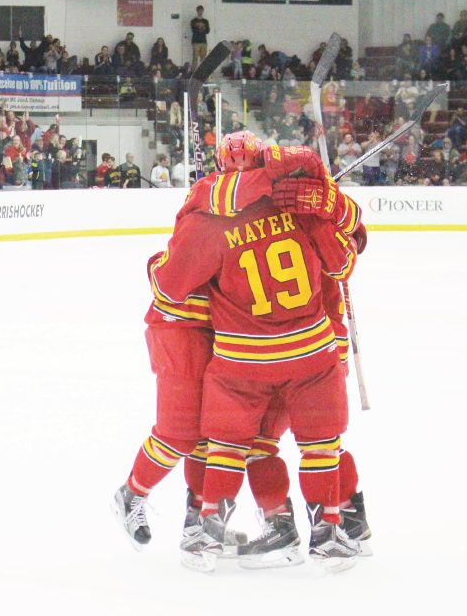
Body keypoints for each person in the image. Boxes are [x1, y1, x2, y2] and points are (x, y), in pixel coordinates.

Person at [154, 136, 360, 573]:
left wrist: (158, 262)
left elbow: (168, 288)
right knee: (323, 445)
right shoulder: (301, 199)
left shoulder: (208, 217)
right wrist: (328, 205)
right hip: (314, 350)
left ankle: (213, 532)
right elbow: (344, 260)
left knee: (231, 445)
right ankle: (336, 531)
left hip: (243, 361)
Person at [190, 5, 210, 70]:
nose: (200, 12)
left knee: (203, 58)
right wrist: (198, 26)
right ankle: (194, 72)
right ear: (197, 11)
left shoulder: (205, 21)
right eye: (199, 11)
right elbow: (193, 30)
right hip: (196, 41)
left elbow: (208, 31)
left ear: (203, 11)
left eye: (201, 11)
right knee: (195, 57)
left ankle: (203, 71)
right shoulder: (193, 21)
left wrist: (203, 27)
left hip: (203, 41)